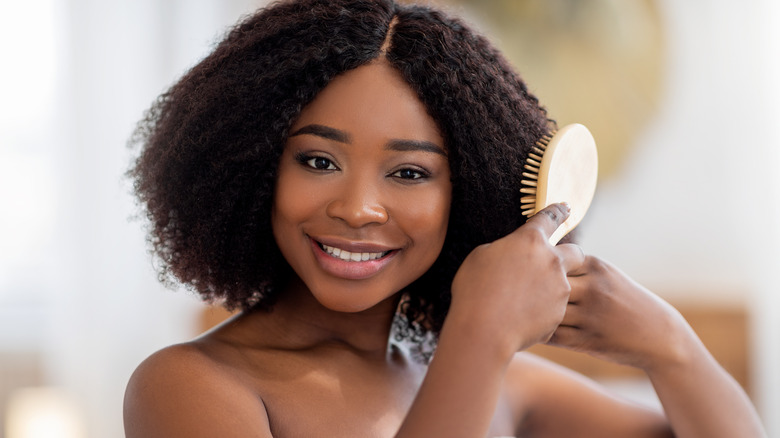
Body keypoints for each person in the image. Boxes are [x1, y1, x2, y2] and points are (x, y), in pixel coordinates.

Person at [123, 0, 767, 437]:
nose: (356, 208)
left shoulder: (506, 382)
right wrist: (480, 335)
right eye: (319, 160)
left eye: (409, 173)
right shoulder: (190, 387)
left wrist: (673, 347)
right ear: (254, 165)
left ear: (469, 196)